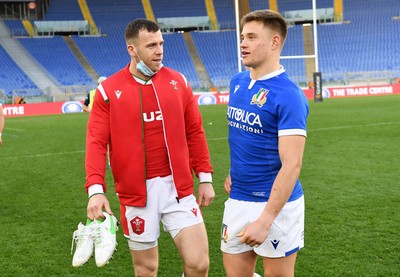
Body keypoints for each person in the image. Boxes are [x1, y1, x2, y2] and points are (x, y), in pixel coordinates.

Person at [85, 19, 215, 276]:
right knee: (147, 269)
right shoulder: (108, 91)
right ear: (132, 50)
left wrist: (205, 177)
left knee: (199, 264)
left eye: (161, 44)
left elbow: (195, 132)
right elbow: (96, 143)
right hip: (136, 194)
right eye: (151, 45)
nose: (159, 51)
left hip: (178, 188)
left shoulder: (179, 82)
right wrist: (95, 190)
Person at [221, 10, 309, 277]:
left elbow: (292, 165)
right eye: (242, 36)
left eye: (251, 37)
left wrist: (265, 220)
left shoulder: (289, 95)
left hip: (275, 207)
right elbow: (244, 137)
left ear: (274, 42)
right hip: (238, 198)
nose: (242, 43)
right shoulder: (237, 82)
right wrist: (234, 171)